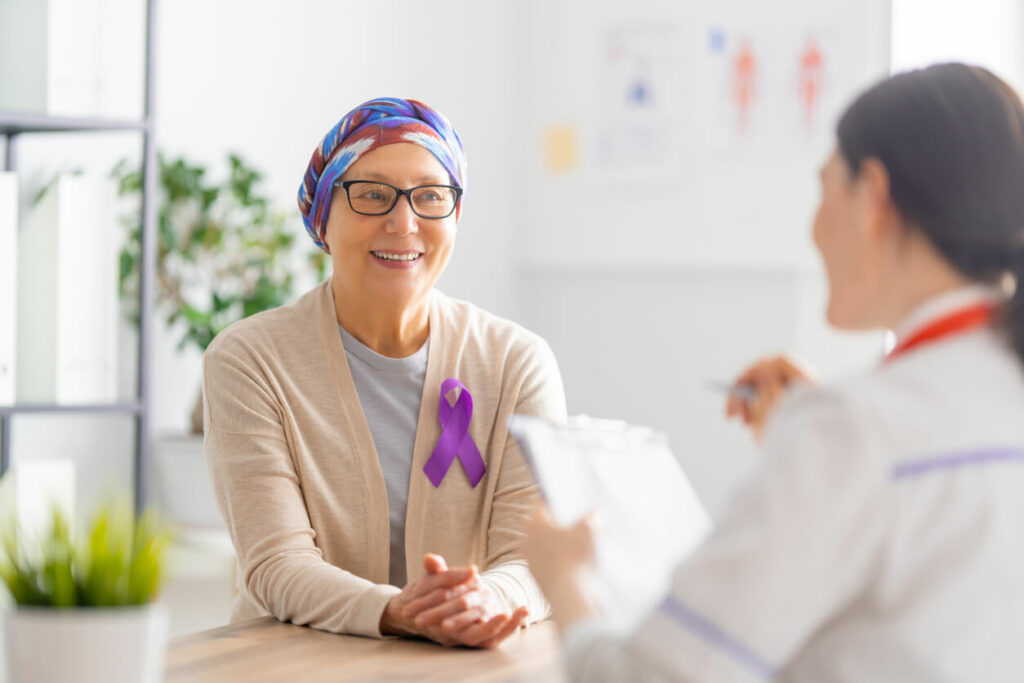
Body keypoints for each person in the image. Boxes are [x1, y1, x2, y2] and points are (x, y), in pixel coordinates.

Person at [524, 63, 1024, 681]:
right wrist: (819, 441)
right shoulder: (942, 409)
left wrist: (567, 581)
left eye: (824, 187)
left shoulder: (855, 432)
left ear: (872, 196)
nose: (813, 230)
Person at [203, 97, 566, 648]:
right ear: (323, 219)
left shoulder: (517, 362)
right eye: (372, 194)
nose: (404, 222)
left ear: (455, 215)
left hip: (461, 666)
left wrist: (480, 602)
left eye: (431, 196)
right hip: (290, 665)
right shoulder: (249, 360)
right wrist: (398, 612)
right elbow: (276, 563)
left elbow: (534, 557)